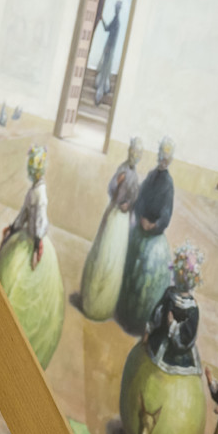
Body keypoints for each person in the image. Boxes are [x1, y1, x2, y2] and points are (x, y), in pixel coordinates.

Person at [118, 243, 208, 434]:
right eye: (181, 275)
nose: (182, 280)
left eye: (186, 276)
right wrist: (150, 329)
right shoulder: (170, 294)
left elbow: (187, 337)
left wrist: (172, 327)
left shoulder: (193, 308)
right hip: (156, 346)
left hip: (179, 355)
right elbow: (158, 312)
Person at [0, 145, 64, 368]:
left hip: (34, 242)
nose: (32, 172)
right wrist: (13, 228)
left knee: (31, 296)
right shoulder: (33, 191)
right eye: (32, 168)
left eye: (34, 168)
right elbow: (24, 213)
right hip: (24, 238)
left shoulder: (40, 194)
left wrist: (38, 243)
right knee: (7, 279)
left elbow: (40, 222)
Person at [81, 136, 145, 321]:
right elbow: (111, 189)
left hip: (123, 221)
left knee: (115, 260)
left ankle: (105, 305)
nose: (135, 156)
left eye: (138, 154)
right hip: (114, 215)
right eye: (133, 152)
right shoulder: (122, 169)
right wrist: (117, 184)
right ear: (129, 152)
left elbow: (134, 199)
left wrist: (130, 205)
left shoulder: (136, 175)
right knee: (104, 256)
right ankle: (93, 302)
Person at [117, 137, 176, 334]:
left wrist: (154, 225)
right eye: (161, 157)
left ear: (169, 161)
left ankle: (140, 323)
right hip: (140, 229)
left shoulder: (168, 184)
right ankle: (124, 314)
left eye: (166, 159)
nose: (162, 161)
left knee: (146, 279)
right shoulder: (151, 176)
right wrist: (139, 214)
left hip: (154, 236)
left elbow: (167, 213)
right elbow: (140, 197)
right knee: (128, 269)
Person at [93, 0, 123, 105]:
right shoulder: (116, 20)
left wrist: (108, 47)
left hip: (109, 49)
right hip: (109, 49)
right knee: (104, 71)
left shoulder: (116, 21)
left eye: (117, 8)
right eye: (116, 7)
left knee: (105, 71)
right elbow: (106, 29)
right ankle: (99, 94)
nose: (116, 9)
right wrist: (102, 19)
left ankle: (99, 95)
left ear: (118, 9)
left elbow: (112, 37)